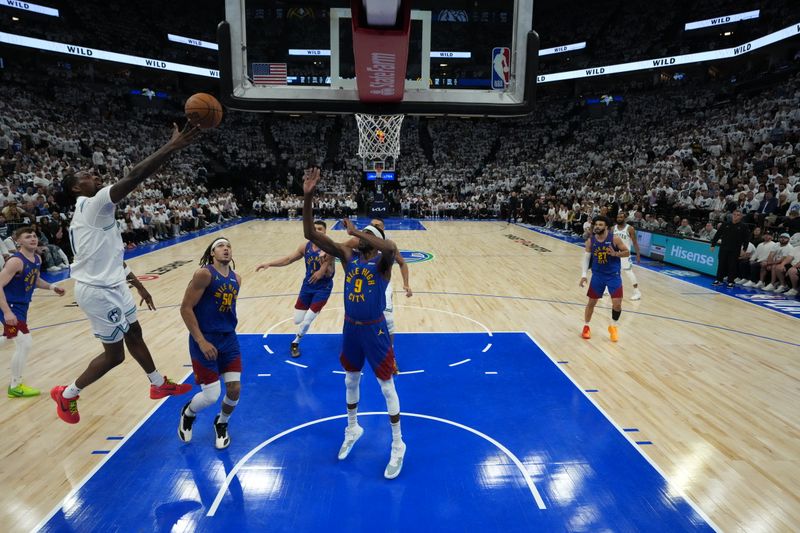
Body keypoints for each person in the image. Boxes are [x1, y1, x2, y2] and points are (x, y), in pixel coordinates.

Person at [51, 123, 200, 424]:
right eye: (85, 176)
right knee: (115, 356)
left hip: (114, 283)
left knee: (135, 331)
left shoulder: (89, 210)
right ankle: (67, 395)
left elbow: (111, 255)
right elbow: (135, 176)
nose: (93, 175)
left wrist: (137, 285)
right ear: (76, 188)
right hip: (97, 290)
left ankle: (157, 384)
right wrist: (172, 146)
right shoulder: (93, 206)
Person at [302, 167, 406, 480]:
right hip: (350, 329)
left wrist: (360, 232)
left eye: (365, 236)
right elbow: (311, 234)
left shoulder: (382, 261)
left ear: (370, 240)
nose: (356, 236)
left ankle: (399, 444)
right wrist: (308, 198)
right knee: (350, 380)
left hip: (375, 329)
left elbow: (390, 247)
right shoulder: (349, 258)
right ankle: (352, 427)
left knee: (386, 386)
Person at [178, 238, 242, 449]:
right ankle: (188, 413)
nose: (226, 248)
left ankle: (221, 423)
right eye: (221, 246)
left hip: (228, 339)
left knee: (234, 389)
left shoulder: (237, 279)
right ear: (212, 252)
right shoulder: (204, 274)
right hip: (204, 339)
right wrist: (201, 340)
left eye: (229, 246)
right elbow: (186, 308)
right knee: (211, 395)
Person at [0, 227, 66, 397]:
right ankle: (15, 386)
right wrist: (7, 312)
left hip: (21, 306)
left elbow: (34, 279)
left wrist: (52, 287)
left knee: (9, 338)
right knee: (24, 343)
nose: (33, 239)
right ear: (18, 241)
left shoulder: (36, 258)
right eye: (27, 237)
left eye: (34, 236)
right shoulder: (15, 261)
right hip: (9, 305)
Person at [255, 220, 334, 358]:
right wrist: (269, 263)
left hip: (323, 288)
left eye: (320, 229)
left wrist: (323, 269)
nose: (317, 231)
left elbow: (327, 269)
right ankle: (314, 310)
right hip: (307, 286)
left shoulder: (330, 248)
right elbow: (288, 259)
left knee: (307, 320)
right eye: (315, 228)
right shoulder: (305, 246)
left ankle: (296, 342)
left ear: (325, 232)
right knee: (297, 320)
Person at [344, 217, 412, 372]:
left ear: (383, 228)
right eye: (372, 225)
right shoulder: (358, 241)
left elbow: (402, 262)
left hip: (381, 284)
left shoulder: (389, 245)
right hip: (361, 283)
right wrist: (325, 259)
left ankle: (391, 355)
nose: (374, 227)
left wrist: (406, 283)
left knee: (388, 319)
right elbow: (339, 249)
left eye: (377, 225)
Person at [580, 216, 630, 342]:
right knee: (592, 302)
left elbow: (627, 252)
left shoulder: (614, 239)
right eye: (596, 224)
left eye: (600, 224)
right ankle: (586, 326)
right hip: (598, 276)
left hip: (613, 276)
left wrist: (616, 254)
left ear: (606, 226)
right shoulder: (590, 241)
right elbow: (586, 259)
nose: (597, 226)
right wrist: (584, 275)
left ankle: (613, 327)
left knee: (617, 304)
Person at [710, 209, 751, 288]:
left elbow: (746, 239)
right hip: (723, 248)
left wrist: (744, 249)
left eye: (738, 215)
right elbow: (717, 235)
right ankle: (719, 280)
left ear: (741, 217)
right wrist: (713, 245)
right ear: (732, 215)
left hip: (735, 249)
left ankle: (731, 281)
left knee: (732, 266)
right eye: (734, 214)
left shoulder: (743, 226)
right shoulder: (725, 224)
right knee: (721, 264)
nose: (735, 216)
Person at [613, 211, 642, 300]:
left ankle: (637, 292)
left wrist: (638, 254)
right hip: (615, 254)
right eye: (618, 217)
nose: (619, 219)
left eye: (621, 217)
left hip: (625, 254)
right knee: (612, 271)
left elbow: (635, 243)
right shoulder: (613, 228)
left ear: (624, 218)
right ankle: (608, 289)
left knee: (628, 272)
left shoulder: (630, 229)